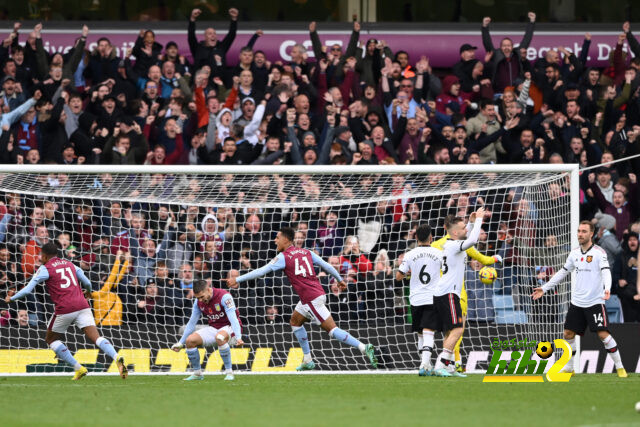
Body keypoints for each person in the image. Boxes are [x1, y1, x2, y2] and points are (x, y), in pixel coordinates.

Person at [226, 226, 377, 370]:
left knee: (332, 330)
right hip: (313, 296)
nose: (275, 240)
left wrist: (237, 280)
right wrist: (339, 279)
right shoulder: (307, 252)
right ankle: (308, 360)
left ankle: (363, 347)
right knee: (295, 322)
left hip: (311, 299)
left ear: (286, 240)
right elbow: (327, 266)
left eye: (277, 238)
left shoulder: (283, 257)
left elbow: (260, 271)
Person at [4, 242, 127, 380]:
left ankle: (78, 368)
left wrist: (11, 298)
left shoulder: (45, 268)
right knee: (96, 338)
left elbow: (27, 290)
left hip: (65, 308)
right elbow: (87, 282)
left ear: (44, 256)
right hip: (82, 305)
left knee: (51, 339)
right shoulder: (70, 264)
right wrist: (88, 291)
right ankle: (116, 357)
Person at [532, 221, 628, 378]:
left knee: (603, 334)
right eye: (578, 231)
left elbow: (606, 272)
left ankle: (620, 368)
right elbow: (562, 272)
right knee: (568, 334)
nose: (580, 234)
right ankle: (569, 367)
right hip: (577, 302)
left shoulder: (599, 252)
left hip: (595, 302)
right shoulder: (574, 253)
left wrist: (607, 288)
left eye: (584, 231)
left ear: (591, 234)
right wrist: (545, 288)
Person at [431, 214, 502, 373]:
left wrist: (470, 222)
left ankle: (448, 368)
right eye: (463, 228)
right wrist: (479, 220)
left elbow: (464, 233)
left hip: (448, 293)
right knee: (457, 330)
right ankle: (441, 365)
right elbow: (471, 240)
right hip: (447, 293)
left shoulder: (452, 243)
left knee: (451, 332)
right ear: (455, 233)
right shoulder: (454, 246)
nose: (466, 230)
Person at [172, 280, 243, 381]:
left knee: (219, 337)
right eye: (198, 298)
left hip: (230, 326)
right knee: (190, 341)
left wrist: (238, 337)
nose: (200, 300)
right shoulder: (198, 302)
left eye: (202, 296)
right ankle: (197, 374)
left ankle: (229, 372)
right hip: (214, 327)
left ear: (209, 290)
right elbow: (192, 323)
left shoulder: (224, 296)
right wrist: (180, 343)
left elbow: (233, 318)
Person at [396, 224, 442, 376]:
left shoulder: (409, 254)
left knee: (420, 333)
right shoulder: (439, 253)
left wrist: (410, 273)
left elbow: (398, 276)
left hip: (415, 298)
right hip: (433, 296)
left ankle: (425, 364)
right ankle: (424, 364)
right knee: (429, 331)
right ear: (431, 237)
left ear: (415, 237)